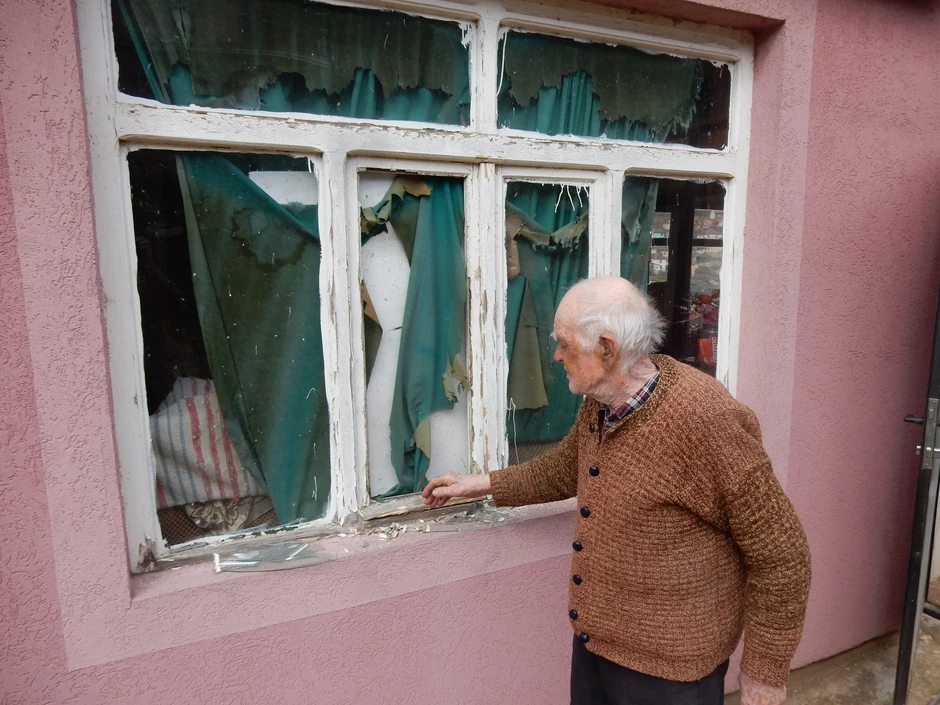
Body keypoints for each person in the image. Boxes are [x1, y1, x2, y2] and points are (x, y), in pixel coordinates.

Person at [422, 276, 811, 705]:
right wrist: (480, 484)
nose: (556, 355)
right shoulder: (602, 401)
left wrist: (764, 674)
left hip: (670, 672)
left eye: (565, 343)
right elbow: (566, 468)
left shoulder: (706, 420)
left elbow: (782, 553)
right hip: (597, 644)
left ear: (606, 349)